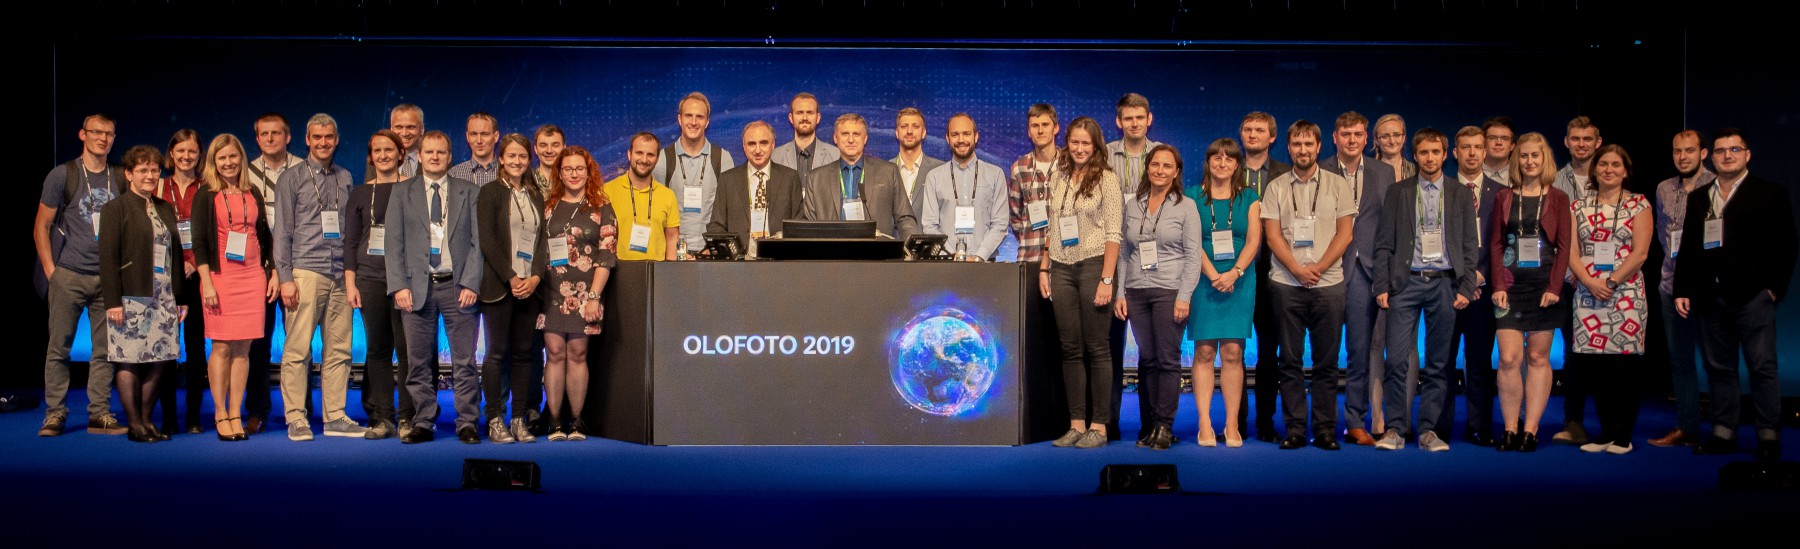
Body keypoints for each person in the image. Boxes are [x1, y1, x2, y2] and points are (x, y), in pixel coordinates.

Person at [1676, 128, 1795, 461]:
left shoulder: (1769, 193)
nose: (1727, 155)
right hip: (1709, 297)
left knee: (1762, 368)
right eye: (1720, 150)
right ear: (1711, 157)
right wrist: (1682, 288)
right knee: (1718, 369)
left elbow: (1786, 244)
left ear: (1747, 154)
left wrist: (1773, 288)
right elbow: (1688, 248)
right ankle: (1723, 432)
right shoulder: (1700, 197)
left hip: (1752, 297)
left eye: (1734, 149)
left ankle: (1768, 436)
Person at [1373, 127, 1479, 452]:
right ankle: (1395, 429)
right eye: (1424, 152)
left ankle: (1429, 430)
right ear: (1415, 156)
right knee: (1396, 360)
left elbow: (1469, 245)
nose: (1430, 158)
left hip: (1445, 283)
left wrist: (1466, 285)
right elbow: (1384, 243)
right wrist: (1382, 285)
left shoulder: (1460, 194)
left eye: (1435, 152)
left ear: (1445, 155)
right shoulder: (1399, 191)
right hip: (1405, 283)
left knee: (1439, 364)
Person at [1261, 120, 1354, 451]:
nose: (1303, 150)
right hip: (1286, 284)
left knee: (1327, 363)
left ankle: (1326, 430)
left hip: (1328, 284)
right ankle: (1296, 429)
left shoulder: (1338, 185)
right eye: (1297, 144)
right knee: (1290, 361)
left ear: (1318, 147)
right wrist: (1297, 269)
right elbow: (1272, 236)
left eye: (1308, 144)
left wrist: (1318, 267)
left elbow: (1345, 233)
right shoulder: (1275, 187)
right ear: (1289, 148)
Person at [386, 130, 483, 444]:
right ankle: (423, 421)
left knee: (465, 361)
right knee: (417, 362)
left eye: (441, 152)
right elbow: (393, 243)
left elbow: (477, 244)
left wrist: (471, 282)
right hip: (415, 288)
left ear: (450, 156)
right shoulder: (402, 192)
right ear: (420, 156)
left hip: (458, 287)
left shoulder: (469, 191)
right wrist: (399, 286)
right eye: (429, 152)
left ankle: (467, 422)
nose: (435, 157)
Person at [273, 113, 365, 441]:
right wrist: (285, 277)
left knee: (339, 350)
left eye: (328, 137)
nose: (323, 143)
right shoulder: (292, 178)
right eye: (317, 137)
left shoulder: (345, 177)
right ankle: (296, 418)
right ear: (307, 140)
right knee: (298, 350)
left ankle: (335, 416)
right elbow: (282, 231)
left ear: (336, 140)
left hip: (340, 273)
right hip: (305, 271)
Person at [35, 114, 127, 436]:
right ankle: (55, 414)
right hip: (69, 274)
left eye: (109, 134)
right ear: (82, 135)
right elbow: (41, 225)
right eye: (96, 132)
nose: (103, 138)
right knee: (59, 348)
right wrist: (52, 272)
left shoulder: (120, 176)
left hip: (108, 279)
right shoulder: (64, 174)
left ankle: (99, 414)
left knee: (104, 350)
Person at [1111, 144, 1201, 450]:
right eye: (1155, 165)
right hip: (1136, 290)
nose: (1160, 170)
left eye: (1167, 166)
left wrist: (1184, 296)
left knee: (1167, 359)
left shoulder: (1186, 206)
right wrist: (1121, 292)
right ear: (1147, 168)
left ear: (1176, 172)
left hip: (1169, 291)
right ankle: (1148, 425)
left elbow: (1193, 257)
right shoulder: (1133, 204)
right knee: (1146, 360)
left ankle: (1164, 425)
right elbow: (1124, 252)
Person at [1488, 132, 1572, 452]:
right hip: (1510, 288)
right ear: (1517, 160)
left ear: (1545, 159)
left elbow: (1564, 247)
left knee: (1538, 357)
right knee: (1509, 358)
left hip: (1544, 289)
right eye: (1524, 156)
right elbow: (1496, 245)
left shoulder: (1559, 198)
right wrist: (1497, 285)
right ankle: (1510, 428)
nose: (1529, 161)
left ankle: (1530, 430)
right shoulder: (1504, 197)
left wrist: (1555, 287)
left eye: (1535, 155)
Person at [1041, 116, 1121, 449]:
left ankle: (1099, 426)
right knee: (1070, 348)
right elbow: (1052, 225)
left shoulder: (1107, 179)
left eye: (1086, 143)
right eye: (1074, 142)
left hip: (1093, 265)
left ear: (1096, 145)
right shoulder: (1059, 176)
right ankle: (1076, 424)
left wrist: (1107, 278)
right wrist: (1044, 267)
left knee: (1097, 348)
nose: (1079, 148)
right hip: (1061, 267)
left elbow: (1114, 233)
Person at [1568, 145, 1653, 455]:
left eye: (1616, 165)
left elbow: (1640, 253)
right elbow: (1571, 252)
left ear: (1625, 170)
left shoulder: (1638, 204)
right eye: (1603, 164)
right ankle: (1605, 433)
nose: (1609, 170)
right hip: (1588, 293)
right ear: (1594, 169)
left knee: (1623, 368)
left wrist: (1612, 281)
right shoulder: (1578, 206)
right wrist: (1590, 282)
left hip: (1625, 293)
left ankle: (1623, 436)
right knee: (1595, 368)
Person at [191, 133, 276, 442]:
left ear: (241, 157)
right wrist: (207, 283)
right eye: (222, 158)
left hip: (253, 277)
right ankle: (220, 413)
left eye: (233, 156)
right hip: (220, 277)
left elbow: (264, 236)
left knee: (243, 349)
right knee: (222, 347)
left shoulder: (253, 191)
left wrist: (272, 272)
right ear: (213, 162)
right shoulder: (205, 194)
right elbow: (199, 242)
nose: (228, 163)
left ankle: (236, 412)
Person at [99, 145, 185, 443]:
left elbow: (175, 254)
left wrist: (180, 297)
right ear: (129, 174)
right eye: (143, 170)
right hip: (130, 297)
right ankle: (134, 424)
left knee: (160, 359)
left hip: (164, 296)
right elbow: (108, 259)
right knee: (129, 360)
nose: (149, 175)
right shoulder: (115, 208)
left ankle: (147, 419)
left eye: (154, 170)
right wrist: (113, 301)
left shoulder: (164, 207)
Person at [1322, 111, 1398, 447]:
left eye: (1357, 134)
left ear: (1367, 139)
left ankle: (1355, 421)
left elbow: (1390, 226)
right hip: (1326, 269)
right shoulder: (1321, 169)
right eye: (1345, 134)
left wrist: (1385, 274)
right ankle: (1324, 423)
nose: (1352, 140)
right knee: (1325, 353)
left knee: (1359, 352)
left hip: (1366, 272)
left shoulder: (1384, 173)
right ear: (1335, 138)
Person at [1184, 139, 1262, 448]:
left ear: (1237, 165)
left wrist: (1234, 273)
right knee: (1204, 352)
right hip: (1203, 280)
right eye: (1216, 158)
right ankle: (1204, 422)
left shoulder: (1250, 198)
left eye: (1229, 159)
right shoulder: (1192, 197)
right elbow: (1191, 240)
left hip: (1239, 281)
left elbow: (1254, 240)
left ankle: (1231, 424)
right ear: (1207, 162)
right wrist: (1214, 275)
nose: (1222, 163)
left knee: (1232, 353)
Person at [539, 145, 619, 441]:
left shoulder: (602, 208)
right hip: (550, 291)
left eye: (579, 169)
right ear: (559, 173)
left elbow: (606, 256)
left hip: (587, 292)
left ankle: (576, 421)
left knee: (578, 352)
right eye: (568, 169)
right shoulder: (547, 207)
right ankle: (555, 421)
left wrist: (594, 296)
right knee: (554, 353)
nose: (574, 174)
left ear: (589, 173)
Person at [343, 130, 417, 440]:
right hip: (369, 279)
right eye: (377, 151)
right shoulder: (360, 193)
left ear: (401, 154)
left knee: (408, 350)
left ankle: (408, 417)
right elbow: (350, 243)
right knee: (377, 349)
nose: (383, 155)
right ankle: (383, 417)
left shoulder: (414, 188)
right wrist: (351, 284)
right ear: (371, 157)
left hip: (406, 280)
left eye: (389, 149)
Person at [476, 133, 549, 443]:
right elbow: (488, 241)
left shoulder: (535, 194)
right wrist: (511, 277)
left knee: (523, 355)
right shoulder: (490, 192)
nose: (517, 161)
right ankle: (495, 419)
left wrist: (535, 277)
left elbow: (542, 241)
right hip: (499, 286)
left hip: (530, 289)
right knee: (495, 354)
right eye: (511, 156)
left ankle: (518, 420)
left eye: (522, 156)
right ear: (501, 159)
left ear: (528, 160)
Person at [1648, 130, 1715, 448]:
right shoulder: (1664, 187)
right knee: (1680, 359)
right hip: (1670, 285)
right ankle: (1687, 426)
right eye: (1677, 151)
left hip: (1707, 287)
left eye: (1689, 150)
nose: (1683, 156)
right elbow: (1663, 235)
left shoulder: (1716, 184)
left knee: (1716, 360)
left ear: (1703, 153)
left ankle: (1722, 428)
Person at [1443, 126, 1505, 447]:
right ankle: (1439, 427)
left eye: (1477, 147)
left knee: (1480, 362)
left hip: (1483, 289)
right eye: (1465, 147)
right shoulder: (1441, 189)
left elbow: (1504, 243)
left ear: (1485, 151)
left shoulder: (1502, 193)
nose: (1471, 153)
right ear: (1455, 153)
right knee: (1443, 362)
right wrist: (1462, 281)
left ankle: (1479, 426)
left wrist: (1479, 277)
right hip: (1448, 290)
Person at [241, 113, 303, 434]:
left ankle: (300, 410)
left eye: (276, 133)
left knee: (299, 343)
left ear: (287, 137)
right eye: (263, 134)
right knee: (258, 344)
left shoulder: (304, 169)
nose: (270, 139)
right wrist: (272, 267)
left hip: (298, 266)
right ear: (257, 138)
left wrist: (285, 268)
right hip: (260, 269)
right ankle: (257, 410)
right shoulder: (245, 173)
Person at [1238, 111, 1290, 442]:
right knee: (1233, 351)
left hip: (1274, 273)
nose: (1253, 134)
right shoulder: (1228, 171)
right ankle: (1236, 422)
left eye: (1260, 130)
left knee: (1270, 353)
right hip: (1236, 273)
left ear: (1272, 137)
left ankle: (1266, 423)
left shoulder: (1286, 173)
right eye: (1248, 129)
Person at [157, 129, 207, 435]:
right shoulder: (159, 186)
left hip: (198, 276)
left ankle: (193, 416)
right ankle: (167, 417)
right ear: (171, 154)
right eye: (181, 151)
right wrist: (175, 265)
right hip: (164, 277)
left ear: (199, 155)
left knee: (196, 348)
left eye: (192, 151)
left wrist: (194, 263)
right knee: (166, 348)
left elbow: (215, 233)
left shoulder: (208, 188)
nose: (186, 157)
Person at [801, 114, 919, 240]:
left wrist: (913, 247)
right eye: (845, 134)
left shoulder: (888, 172)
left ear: (865, 139)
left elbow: (905, 218)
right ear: (835, 138)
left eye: (856, 134)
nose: (851, 140)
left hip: (877, 250)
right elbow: (809, 227)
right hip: (832, 250)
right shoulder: (816, 178)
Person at [653, 92, 737, 254]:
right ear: (680, 119)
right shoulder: (662, 159)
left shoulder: (723, 158)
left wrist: (713, 249)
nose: (693, 122)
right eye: (688, 116)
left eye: (699, 117)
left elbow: (730, 211)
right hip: (672, 254)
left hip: (710, 253)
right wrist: (673, 253)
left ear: (707, 122)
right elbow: (657, 213)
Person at [709, 121, 806, 259]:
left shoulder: (790, 178)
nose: (758, 150)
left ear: (773, 145)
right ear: (744, 147)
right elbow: (716, 226)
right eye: (752, 144)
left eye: (763, 143)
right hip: (739, 263)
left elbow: (798, 225)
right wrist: (732, 254)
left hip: (779, 261)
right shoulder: (728, 180)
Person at [919, 113, 1008, 261]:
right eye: (955, 135)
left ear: (976, 137)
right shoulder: (934, 177)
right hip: (947, 264)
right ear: (947, 138)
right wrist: (952, 255)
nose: (961, 140)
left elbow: (1000, 224)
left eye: (966, 134)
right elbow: (929, 226)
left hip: (985, 264)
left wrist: (979, 256)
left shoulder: (995, 175)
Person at [602, 133, 681, 261]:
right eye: (639, 153)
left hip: (656, 269)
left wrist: (670, 272)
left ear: (657, 159)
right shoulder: (607, 191)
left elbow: (672, 239)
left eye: (650, 155)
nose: (644, 160)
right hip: (617, 269)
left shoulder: (668, 196)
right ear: (629, 154)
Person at [1108, 93, 1161, 200]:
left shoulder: (1162, 153)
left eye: (1140, 118)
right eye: (1128, 119)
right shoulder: (1105, 153)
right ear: (1119, 122)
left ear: (1149, 119)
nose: (1135, 124)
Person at [772, 93, 839, 176]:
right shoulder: (775, 157)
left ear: (818, 118)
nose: (804, 118)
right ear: (791, 118)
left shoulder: (836, 156)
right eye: (799, 113)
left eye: (810, 113)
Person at [892, 107, 943, 217]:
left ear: (923, 133)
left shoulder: (940, 170)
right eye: (904, 126)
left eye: (915, 126)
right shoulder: (884, 170)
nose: (909, 131)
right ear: (897, 132)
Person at [1552, 116, 1603, 204]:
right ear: (1566, 142)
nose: (1581, 144)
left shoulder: (1610, 179)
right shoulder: (1553, 182)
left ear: (1598, 142)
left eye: (1587, 139)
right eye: (1575, 139)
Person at [448, 112, 500, 186]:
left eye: (484, 134)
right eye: (473, 134)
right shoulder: (454, 175)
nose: (479, 141)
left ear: (496, 136)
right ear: (467, 137)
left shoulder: (509, 173)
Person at [1374, 114, 1416, 182]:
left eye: (1397, 135)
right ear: (1376, 140)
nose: (1392, 141)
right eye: (1385, 136)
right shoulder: (1368, 172)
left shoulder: (1416, 171)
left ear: (1403, 138)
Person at [386, 103, 424, 178]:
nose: (404, 133)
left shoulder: (434, 157)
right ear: (391, 129)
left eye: (411, 127)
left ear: (422, 129)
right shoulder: (379, 159)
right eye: (399, 127)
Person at [531, 124, 566, 198]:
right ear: (535, 149)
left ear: (564, 148)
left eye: (555, 145)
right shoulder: (526, 182)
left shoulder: (573, 182)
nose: (549, 150)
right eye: (543, 145)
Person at [1481, 117, 1515, 186]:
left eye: (1504, 138)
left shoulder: (1523, 177)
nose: (1498, 143)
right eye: (1492, 138)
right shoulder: (1469, 175)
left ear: (1512, 145)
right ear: (1483, 143)